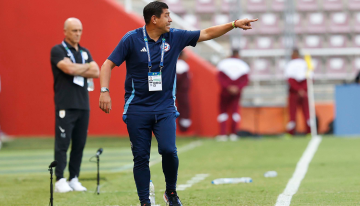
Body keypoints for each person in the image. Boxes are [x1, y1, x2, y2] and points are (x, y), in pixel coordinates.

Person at [98, 1, 257, 205]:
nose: (170, 19)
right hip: (137, 108)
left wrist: (234, 24)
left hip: (164, 108)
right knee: (140, 158)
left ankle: (170, 192)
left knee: (169, 151)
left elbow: (207, 33)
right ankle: (145, 201)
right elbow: (107, 64)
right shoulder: (131, 39)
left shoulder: (175, 36)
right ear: (153, 19)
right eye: (166, 15)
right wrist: (104, 91)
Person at [50, 18, 100, 193]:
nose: (77, 34)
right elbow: (67, 69)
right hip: (65, 103)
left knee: (79, 143)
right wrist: (82, 68)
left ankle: (74, 178)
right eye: (74, 30)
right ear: (65, 31)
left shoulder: (85, 52)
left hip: (83, 104)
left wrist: (76, 67)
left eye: (80, 30)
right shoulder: (57, 50)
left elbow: (96, 71)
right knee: (62, 143)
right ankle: (60, 179)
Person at [216, 49, 249, 141]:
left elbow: (219, 78)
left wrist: (228, 87)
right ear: (238, 54)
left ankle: (223, 134)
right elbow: (246, 80)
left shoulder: (223, 63)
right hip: (237, 93)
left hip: (225, 92)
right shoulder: (243, 64)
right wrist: (238, 87)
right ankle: (233, 134)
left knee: (223, 112)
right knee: (235, 112)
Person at [285, 48, 311, 135]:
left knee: (293, 113)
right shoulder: (305, 64)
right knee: (307, 113)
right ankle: (309, 131)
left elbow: (290, 79)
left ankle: (291, 133)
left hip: (294, 93)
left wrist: (298, 89)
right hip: (305, 92)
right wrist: (303, 89)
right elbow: (310, 79)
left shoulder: (290, 64)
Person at [176, 51, 192, 133]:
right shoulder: (180, 64)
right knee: (183, 107)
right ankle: (183, 128)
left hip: (181, 91)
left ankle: (183, 127)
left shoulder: (182, 64)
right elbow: (177, 79)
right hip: (181, 91)